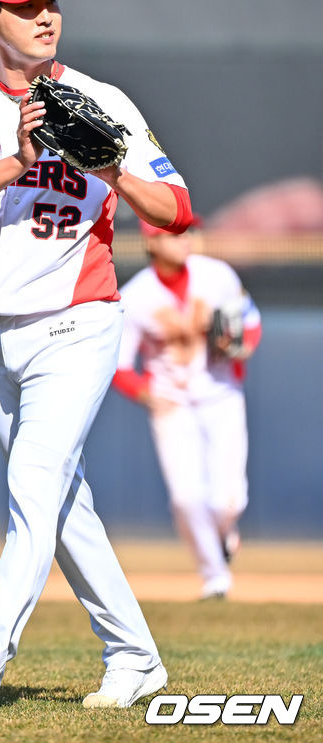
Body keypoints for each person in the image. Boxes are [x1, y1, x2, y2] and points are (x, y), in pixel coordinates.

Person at [0, 0, 193, 712]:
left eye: (52, 1)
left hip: (79, 321)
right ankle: (136, 656)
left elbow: (177, 210)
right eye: (26, 4)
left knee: (33, 480)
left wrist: (112, 169)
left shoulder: (102, 101)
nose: (46, 16)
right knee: (62, 503)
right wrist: (20, 159)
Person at [113, 219, 261, 600]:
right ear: (151, 242)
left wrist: (244, 345)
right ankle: (215, 577)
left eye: (187, 231)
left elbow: (250, 320)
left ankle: (223, 533)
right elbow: (119, 364)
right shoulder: (135, 296)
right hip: (172, 402)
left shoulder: (217, 275)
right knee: (185, 498)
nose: (184, 239)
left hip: (222, 394)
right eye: (173, 233)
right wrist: (146, 394)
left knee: (229, 500)